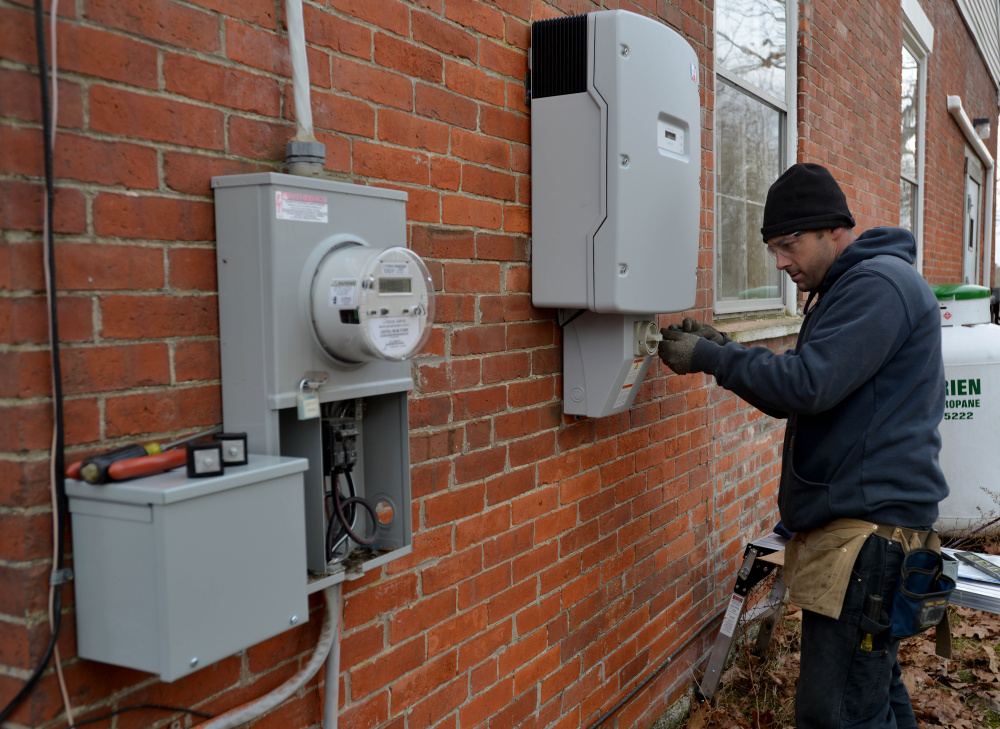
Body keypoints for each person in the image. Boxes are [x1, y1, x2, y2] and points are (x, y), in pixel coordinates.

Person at [658, 163, 949, 729]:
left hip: (867, 544)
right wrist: (729, 354)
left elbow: (807, 384)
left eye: (789, 245)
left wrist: (714, 359)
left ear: (833, 231)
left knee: (834, 714)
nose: (781, 262)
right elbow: (808, 386)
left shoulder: (876, 287)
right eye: (773, 248)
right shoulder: (856, 287)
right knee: (870, 696)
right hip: (868, 539)